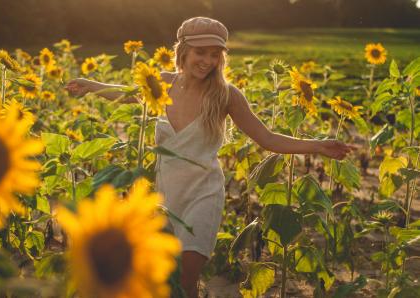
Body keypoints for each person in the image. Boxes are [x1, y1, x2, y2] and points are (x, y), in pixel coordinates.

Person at [66, 16, 353, 298]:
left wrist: (317, 145)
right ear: (183, 51)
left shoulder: (226, 95)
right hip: (165, 199)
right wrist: (90, 85)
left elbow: (266, 138)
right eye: (200, 52)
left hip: (203, 194)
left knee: (186, 278)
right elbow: (125, 94)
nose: (207, 60)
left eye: (215, 54)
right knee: (164, 282)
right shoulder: (161, 84)